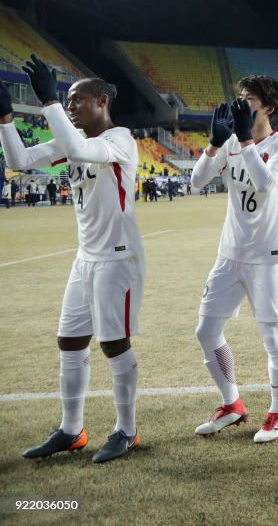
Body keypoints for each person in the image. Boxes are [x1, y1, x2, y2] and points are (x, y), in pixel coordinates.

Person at [0, 55, 144, 463]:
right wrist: (6, 118)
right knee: (70, 340)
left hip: (118, 257)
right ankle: (71, 429)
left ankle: (127, 431)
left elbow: (81, 147)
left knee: (114, 343)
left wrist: (47, 101)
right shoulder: (74, 142)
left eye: (77, 100)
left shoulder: (120, 140)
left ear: (102, 101)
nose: (70, 106)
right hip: (86, 258)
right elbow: (19, 162)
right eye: (66, 101)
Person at [190, 76, 278, 443]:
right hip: (229, 254)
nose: (240, 104)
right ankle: (232, 404)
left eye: (248, 99)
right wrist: (214, 144)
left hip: (266, 256)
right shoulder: (232, 143)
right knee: (206, 330)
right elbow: (197, 182)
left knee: (272, 336)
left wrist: (246, 141)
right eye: (239, 97)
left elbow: (266, 184)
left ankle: (277, 412)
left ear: (268, 107)